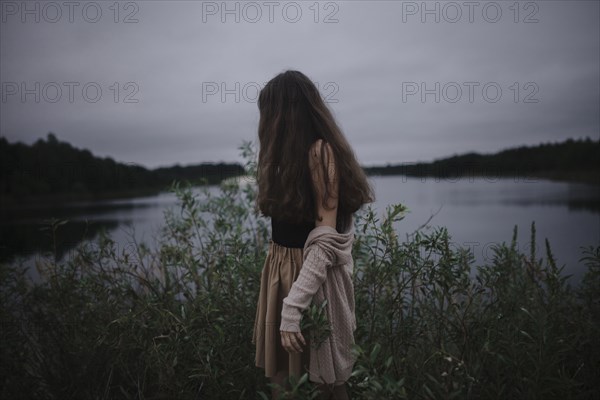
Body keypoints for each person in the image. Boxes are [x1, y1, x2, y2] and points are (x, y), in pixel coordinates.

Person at [251, 70, 374, 400]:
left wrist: (292, 309)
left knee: (325, 386)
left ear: (285, 114)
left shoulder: (321, 153)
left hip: (310, 282)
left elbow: (324, 241)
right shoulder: (284, 162)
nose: (264, 122)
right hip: (281, 276)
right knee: (283, 383)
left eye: (269, 112)